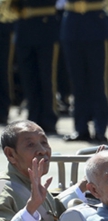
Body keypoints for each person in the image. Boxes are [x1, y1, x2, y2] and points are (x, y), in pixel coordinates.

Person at [0, 122, 67, 221]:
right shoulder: (4, 192)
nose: (43, 150)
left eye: (44, 142)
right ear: (11, 154)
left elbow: (57, 217)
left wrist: (84, 188)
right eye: (30, 145)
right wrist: (30, 209)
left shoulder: (35, 185)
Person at [60, 0, 108, 142]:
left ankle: (100, 128)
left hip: (95, 25)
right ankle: (80, 128)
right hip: (72, 26)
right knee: (77, 83)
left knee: (98, 82)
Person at [15, 0, 59, 135]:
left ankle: (48, 118)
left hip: (45, 26)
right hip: (24, 28)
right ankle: (33, 117)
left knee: (47, 77)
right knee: (28, 78)